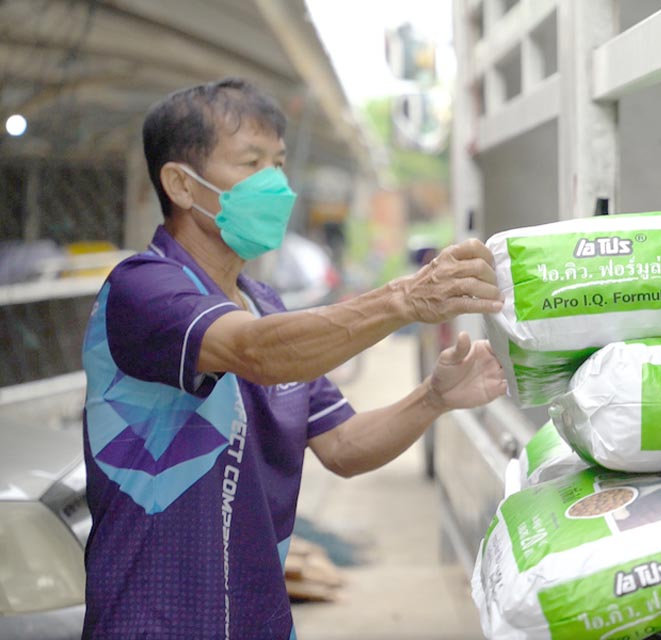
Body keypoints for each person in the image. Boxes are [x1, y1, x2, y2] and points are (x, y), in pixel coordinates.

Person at [80, 77, 506, 639]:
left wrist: (434, 397)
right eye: (251, 162)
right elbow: (252, 352)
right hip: (154, 624)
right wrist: (402, 298)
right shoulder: (141, 290)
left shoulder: (264, 305)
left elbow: (344, 446)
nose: (276, 184)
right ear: (181, 184)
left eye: (278, 164)